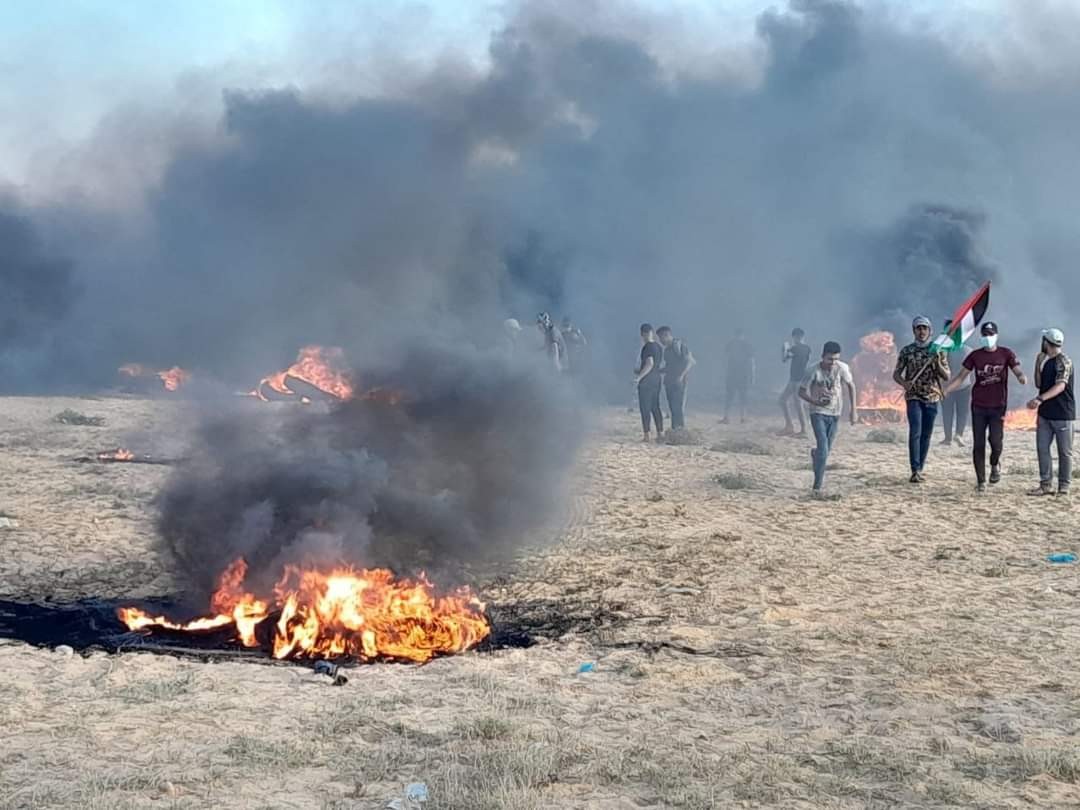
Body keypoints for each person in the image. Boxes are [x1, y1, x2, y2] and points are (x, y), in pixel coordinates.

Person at [943, 321, 1026, 492]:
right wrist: (947, 390)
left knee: (996, 440)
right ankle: (981, 480)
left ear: (996, 335)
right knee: (978, 444)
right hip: (979, 405)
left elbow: (1016, 368)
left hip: (998, 405)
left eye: (991, 334)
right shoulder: (975, 356)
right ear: (981, 336)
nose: (988, 337)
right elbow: (961, 377)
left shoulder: (1006, 353)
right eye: (985, 335)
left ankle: (995, 464)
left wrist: (1021, 376)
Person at [893, 316, 950, 483]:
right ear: (914, 331)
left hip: (932, 396)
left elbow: (946, 376)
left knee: (926, 434)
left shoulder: (938, 350)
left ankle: (920, 467)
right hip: (914, 396)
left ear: (930, 331)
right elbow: (896, 374)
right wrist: (904, 383)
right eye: (918, 328)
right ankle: (915, 469)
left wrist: (937, 362)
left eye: (925, 328)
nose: (922, 331)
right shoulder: (907, 351)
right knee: (915, 432)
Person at [798, 341, 857, 494]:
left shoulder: (842, 368)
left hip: (835, 413)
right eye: (830, 359)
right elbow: (801, 392)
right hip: (817, 412)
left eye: (836, 359)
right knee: (823, 449)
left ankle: (816, 454)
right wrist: (815, 401)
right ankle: (817, 486)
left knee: (825, 451)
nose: (833, 362)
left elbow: (851, 386)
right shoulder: (812, 370)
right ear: (823, 357)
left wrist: (853, 410)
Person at [1026, 328, 1074, 496]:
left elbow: (1060, 385)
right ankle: (1045, 484)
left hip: (1062, 413)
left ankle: (1064, 485)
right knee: (1043, 448)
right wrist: (1037, 364)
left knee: (1064, 451)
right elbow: (1039, 384)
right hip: (1045, 414)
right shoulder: (1048, 362)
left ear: (1046, 342)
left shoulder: (1064, 361)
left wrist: (1040, 399)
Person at [938, 318, 972, 447]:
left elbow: (968, 372)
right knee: (947, 413)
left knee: (962, 412)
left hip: (964, 387)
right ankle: (948, 438)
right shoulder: (941, 350)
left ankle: (958, 435)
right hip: (946, 387)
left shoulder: (968, 350)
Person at [657, 326, 696, 431]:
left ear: (667, 335)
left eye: (661, 338)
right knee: (672, 409)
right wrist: (657, 370)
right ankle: (675, 430)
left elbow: (690, 362)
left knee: (677, 408)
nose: (660, 341)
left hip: (679, 383)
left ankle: (680, 431)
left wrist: (681, 376)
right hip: (669, 383)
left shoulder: (679, 346)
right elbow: (669, 367)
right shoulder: (666, 350)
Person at [634, 323, 665, 442]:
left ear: (642, 334)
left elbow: (650, 363)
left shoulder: (647, 347)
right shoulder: (659, 347)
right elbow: (656, 364)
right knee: (655, 406)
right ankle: (660, 433)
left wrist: (639, 377)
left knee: (645, 408)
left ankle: (647, 435)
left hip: (647, 381)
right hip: (657, 379)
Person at [779, 328, 811, 436]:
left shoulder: (795, 348)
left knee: (796, 404)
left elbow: (784, 359)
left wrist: (785, 349)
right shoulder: (807, 348)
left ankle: (802, 429)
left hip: (796, 379)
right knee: (784, 400)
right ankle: (790, 426)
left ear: (796, 337)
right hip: (799, 378)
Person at [721, 328, 755, 424]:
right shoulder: (747, 345)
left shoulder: (730, 344)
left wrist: (725, 372)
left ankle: (726, 417)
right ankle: (743, 418)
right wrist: (752, 376)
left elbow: (725, 359)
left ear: (734, 335)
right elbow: (752, 362)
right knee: (743, 397)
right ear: (743, 335)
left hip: (732, 374)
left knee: (729, 396)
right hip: (743, 375)